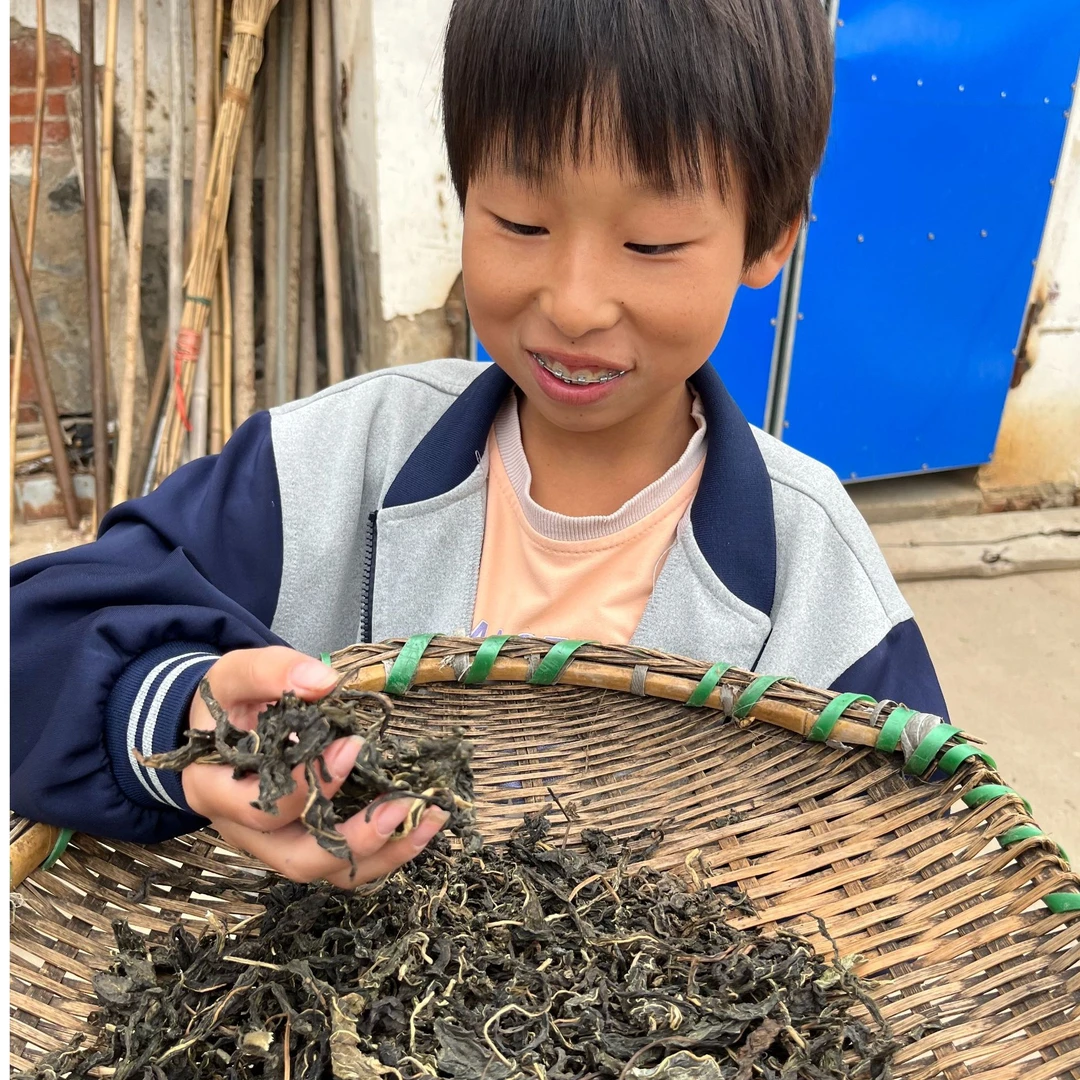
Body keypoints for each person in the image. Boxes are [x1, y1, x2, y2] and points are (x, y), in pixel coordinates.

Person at [10, 0, 947, 890]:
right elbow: (33, 646)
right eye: (522, 224)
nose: (574, 303)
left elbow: (917, 865)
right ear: (463, 194)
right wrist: (186, 711)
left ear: (769, 238)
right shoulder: (328, 466)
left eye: (653, 244)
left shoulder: (813, 572)